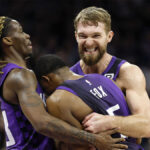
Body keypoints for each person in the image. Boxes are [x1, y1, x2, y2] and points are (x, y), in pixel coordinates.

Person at [0, 16, 127, 150]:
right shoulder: (21, 76)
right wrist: (94, 139)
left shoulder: (9, 74)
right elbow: (41, 123)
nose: (27, 35)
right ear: (8, 40)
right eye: (20, 31)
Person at [70, 6, 150, 139]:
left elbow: (147, 125)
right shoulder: (68, 78)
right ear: (75, 37)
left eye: (96, 35)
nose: (89, 43)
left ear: (109, 36)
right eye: (82, 36)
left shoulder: (128, 73)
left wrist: (109, 122)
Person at [34, 54, 142, 150]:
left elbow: (80, 147)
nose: (46, 93)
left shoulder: (56, 100)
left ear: (46, 80)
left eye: (44, 89)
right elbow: (138, 136)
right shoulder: (106, 79)